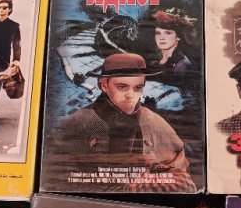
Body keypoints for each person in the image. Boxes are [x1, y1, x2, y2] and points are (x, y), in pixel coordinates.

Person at [47, 53, 195, 191]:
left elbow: (179, 161)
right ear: (104, 86)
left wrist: (153, 177)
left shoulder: (152, 120)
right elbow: (54, 173)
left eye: (137, 88)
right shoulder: (79, 122)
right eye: (122, 87)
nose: (131, 95)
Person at [145, 8, 196, 87]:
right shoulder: (152, 61)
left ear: (178, 37)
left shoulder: (183, 65)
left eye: (168, 33)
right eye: (158, 33)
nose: (161, 38)